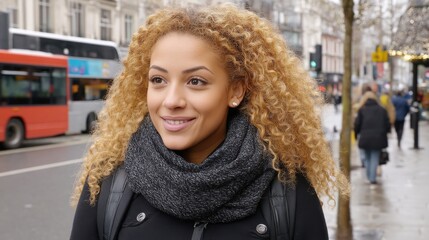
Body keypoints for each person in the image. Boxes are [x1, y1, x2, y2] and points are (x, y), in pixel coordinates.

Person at [70, 4, 349, 240]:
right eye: (158, 80)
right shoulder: (109, 181)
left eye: (196, 81)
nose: (171, 100)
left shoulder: (288, 189)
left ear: (235, 91)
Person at [354, 91, 390, 186]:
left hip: (365, 138)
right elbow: (387, 124)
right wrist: (385, 132)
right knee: (374, 157)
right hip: (378, 138)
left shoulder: (362, 110)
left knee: (366, 158)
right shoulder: (382, 110)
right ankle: (372, 178)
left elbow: (357, 125)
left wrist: (356, 135)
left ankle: (369, 177)